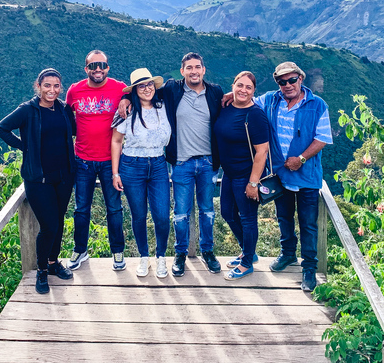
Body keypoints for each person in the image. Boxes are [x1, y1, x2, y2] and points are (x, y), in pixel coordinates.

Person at [119, 52, 224, 277]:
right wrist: (126, 99)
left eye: (197, 67)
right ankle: (180, 253)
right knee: (180, 213)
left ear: (204, 70)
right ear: (182, 71)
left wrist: (236, 93)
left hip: (208, 162)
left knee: (207, 210)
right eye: (189, 68)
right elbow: (143, 95)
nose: (194, 71)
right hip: (181, 162)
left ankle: (208, 251)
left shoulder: (215, 92)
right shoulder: (172, 90)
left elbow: (229, 108)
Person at [0, 68, 76, 295]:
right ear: (38, 86)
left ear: (61, 88)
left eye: (56, 86)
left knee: (58, 222)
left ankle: (52, 263)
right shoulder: (27, 110)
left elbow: (75, 131)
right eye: (47, 85)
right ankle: (41, 269)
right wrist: (25, 146)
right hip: (38, 178)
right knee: (48, 225)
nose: (52, 90)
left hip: (64, 175)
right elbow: (1, 129)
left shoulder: (63, 109)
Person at [255, 62, 332, 292]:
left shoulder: (317, 105)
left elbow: (322, 138)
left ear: (301, 79)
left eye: (291, 80)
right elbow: (247, 97)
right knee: (284, 217)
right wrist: (231, 94)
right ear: (277, 82)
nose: (287, 85)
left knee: (308, 224)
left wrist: (301, 158)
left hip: (307, 175)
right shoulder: (270, 100)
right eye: (281, 81)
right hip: (281, 174)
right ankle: (288, 254)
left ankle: (309, 269)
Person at [65, 50, 127, 271]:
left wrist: (127, 99)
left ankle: (118, 252)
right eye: (93, 66)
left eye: (102, 65)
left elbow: (142, 94)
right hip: (82, 160)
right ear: (86, 69)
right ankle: (80, 250)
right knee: (81, 209)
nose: (98, 69)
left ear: (108, 67)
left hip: (112, 161)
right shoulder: (74, 91)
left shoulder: (120, 88)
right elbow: (64, 117)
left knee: (114, 209)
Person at [111, 68, 172, 279]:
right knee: (139, 215)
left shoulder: (164, 106)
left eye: (149, 84)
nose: (146, 89)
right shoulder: (126, 112)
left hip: (158, 164)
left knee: (162, 215)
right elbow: (116, 141)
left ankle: (161, 256)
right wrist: (115, 173)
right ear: (134, 90)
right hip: (131, 165)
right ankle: (143, 256)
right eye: (141, 86)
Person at [213, 71, 270, 280]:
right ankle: (248, 251)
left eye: (248, 87)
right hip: (228, 173)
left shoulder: (255, 114)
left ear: (254, 91)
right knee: (227, 213)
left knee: (247, 218)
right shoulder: (227, 107)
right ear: (233, 85)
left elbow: (262, 151)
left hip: (246, 175)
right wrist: (231, 95)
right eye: (240, 85)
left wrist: (253, 183)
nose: (243, 90)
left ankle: (247, 263)